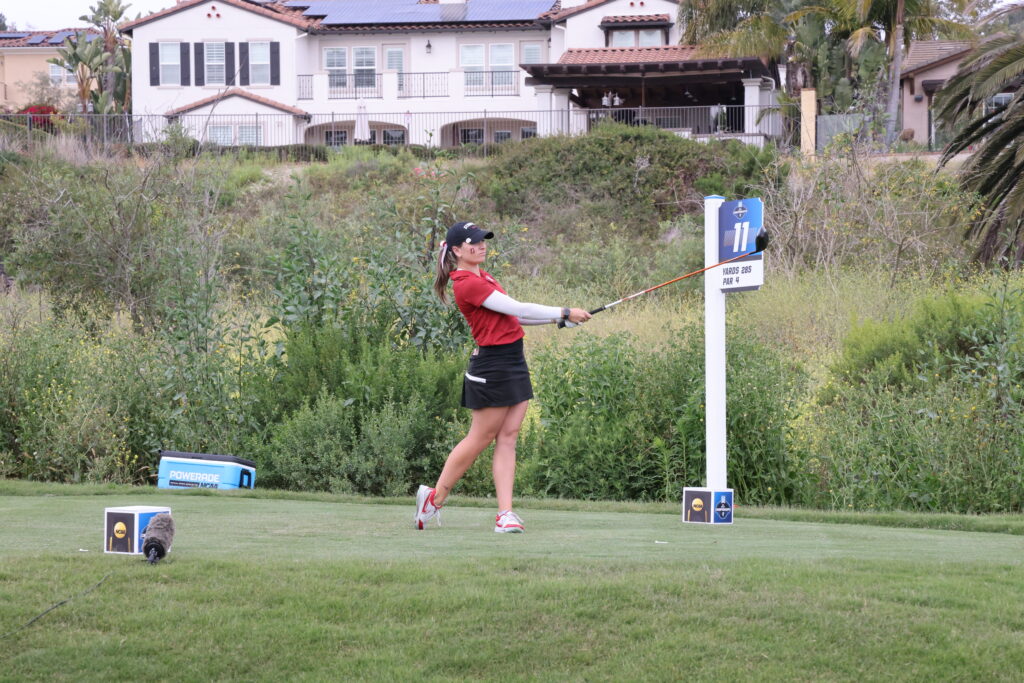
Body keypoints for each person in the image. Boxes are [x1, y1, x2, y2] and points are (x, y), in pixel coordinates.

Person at [414, 221, 592, 533]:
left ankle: (505, 514)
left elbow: (514, 316)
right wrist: (565, 310)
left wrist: (558, 320)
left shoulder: (485, 277)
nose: (481, 246)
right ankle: (435, 497)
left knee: (508, 437)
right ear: (456, 250)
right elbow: (517, 305)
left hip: (513, 360)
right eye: (473, 243)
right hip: (491, 367)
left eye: (483, 241)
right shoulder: (467, 282)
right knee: (480, 438)